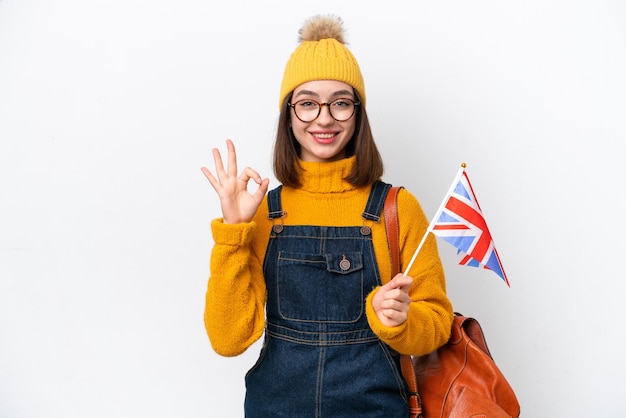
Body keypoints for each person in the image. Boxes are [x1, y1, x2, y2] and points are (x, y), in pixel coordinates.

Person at [201, 14, 453, 417]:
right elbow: (227, 339)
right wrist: (233, 231)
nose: (324, 118)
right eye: (307, 103)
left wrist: (402, 320)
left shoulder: (396, 208)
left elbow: (437, 323)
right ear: (288, 114)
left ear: (357, 114)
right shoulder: (263, 213)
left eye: (340, 102)